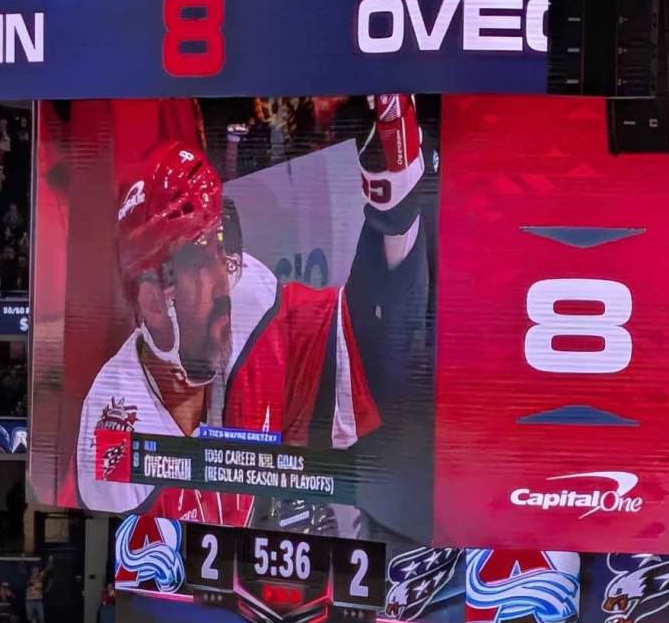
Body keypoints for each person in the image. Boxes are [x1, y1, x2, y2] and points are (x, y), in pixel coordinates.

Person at [75, 94, 432, 530]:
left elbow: (370, 355)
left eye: (222, 244)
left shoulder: (250, 305)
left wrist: (393, 207)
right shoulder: (115, 423)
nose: (223, 277)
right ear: (152, 301)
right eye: (201, 259)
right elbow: (141, 559)